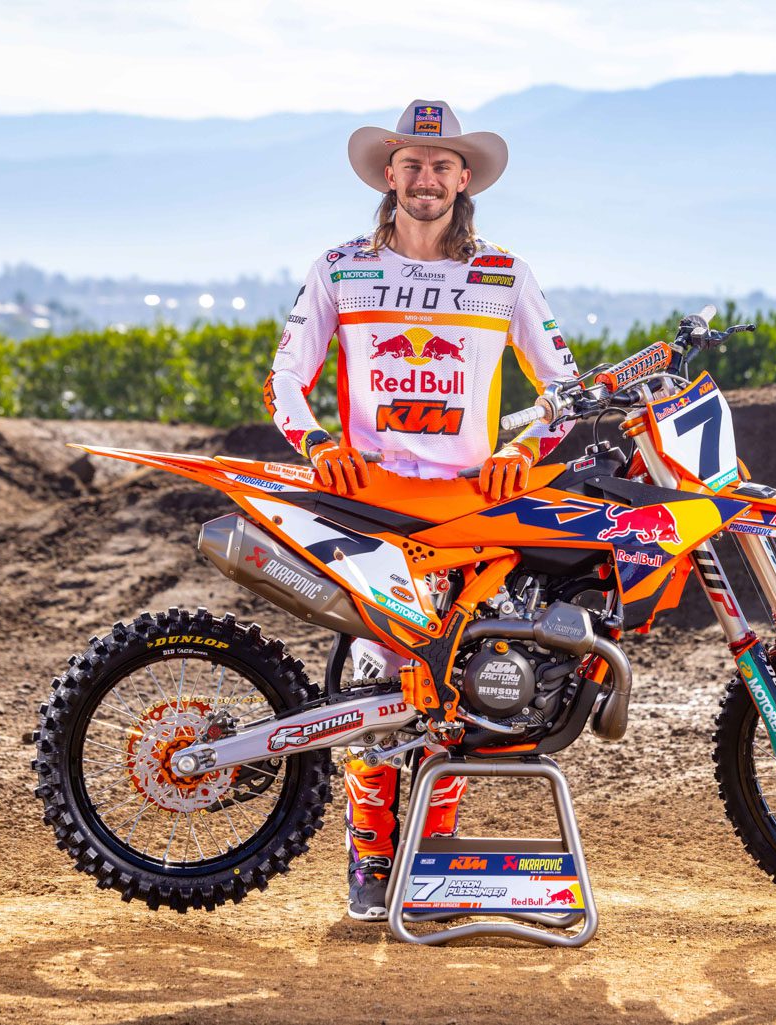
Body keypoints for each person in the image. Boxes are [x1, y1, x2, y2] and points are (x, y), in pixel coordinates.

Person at [263, 99, 578, 920]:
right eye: (412, 163)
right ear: (389, 174)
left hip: (470, 511)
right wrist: (315, 442)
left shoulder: (504, 273)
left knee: (458, 692)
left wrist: (522, 451)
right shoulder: (341, 267)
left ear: (464, 177)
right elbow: (284, 377)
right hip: (371, 509)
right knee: (376, 685)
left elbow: (566, 389)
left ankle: (431, 862)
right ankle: (371, 860)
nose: (426, 177)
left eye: (441, 165)